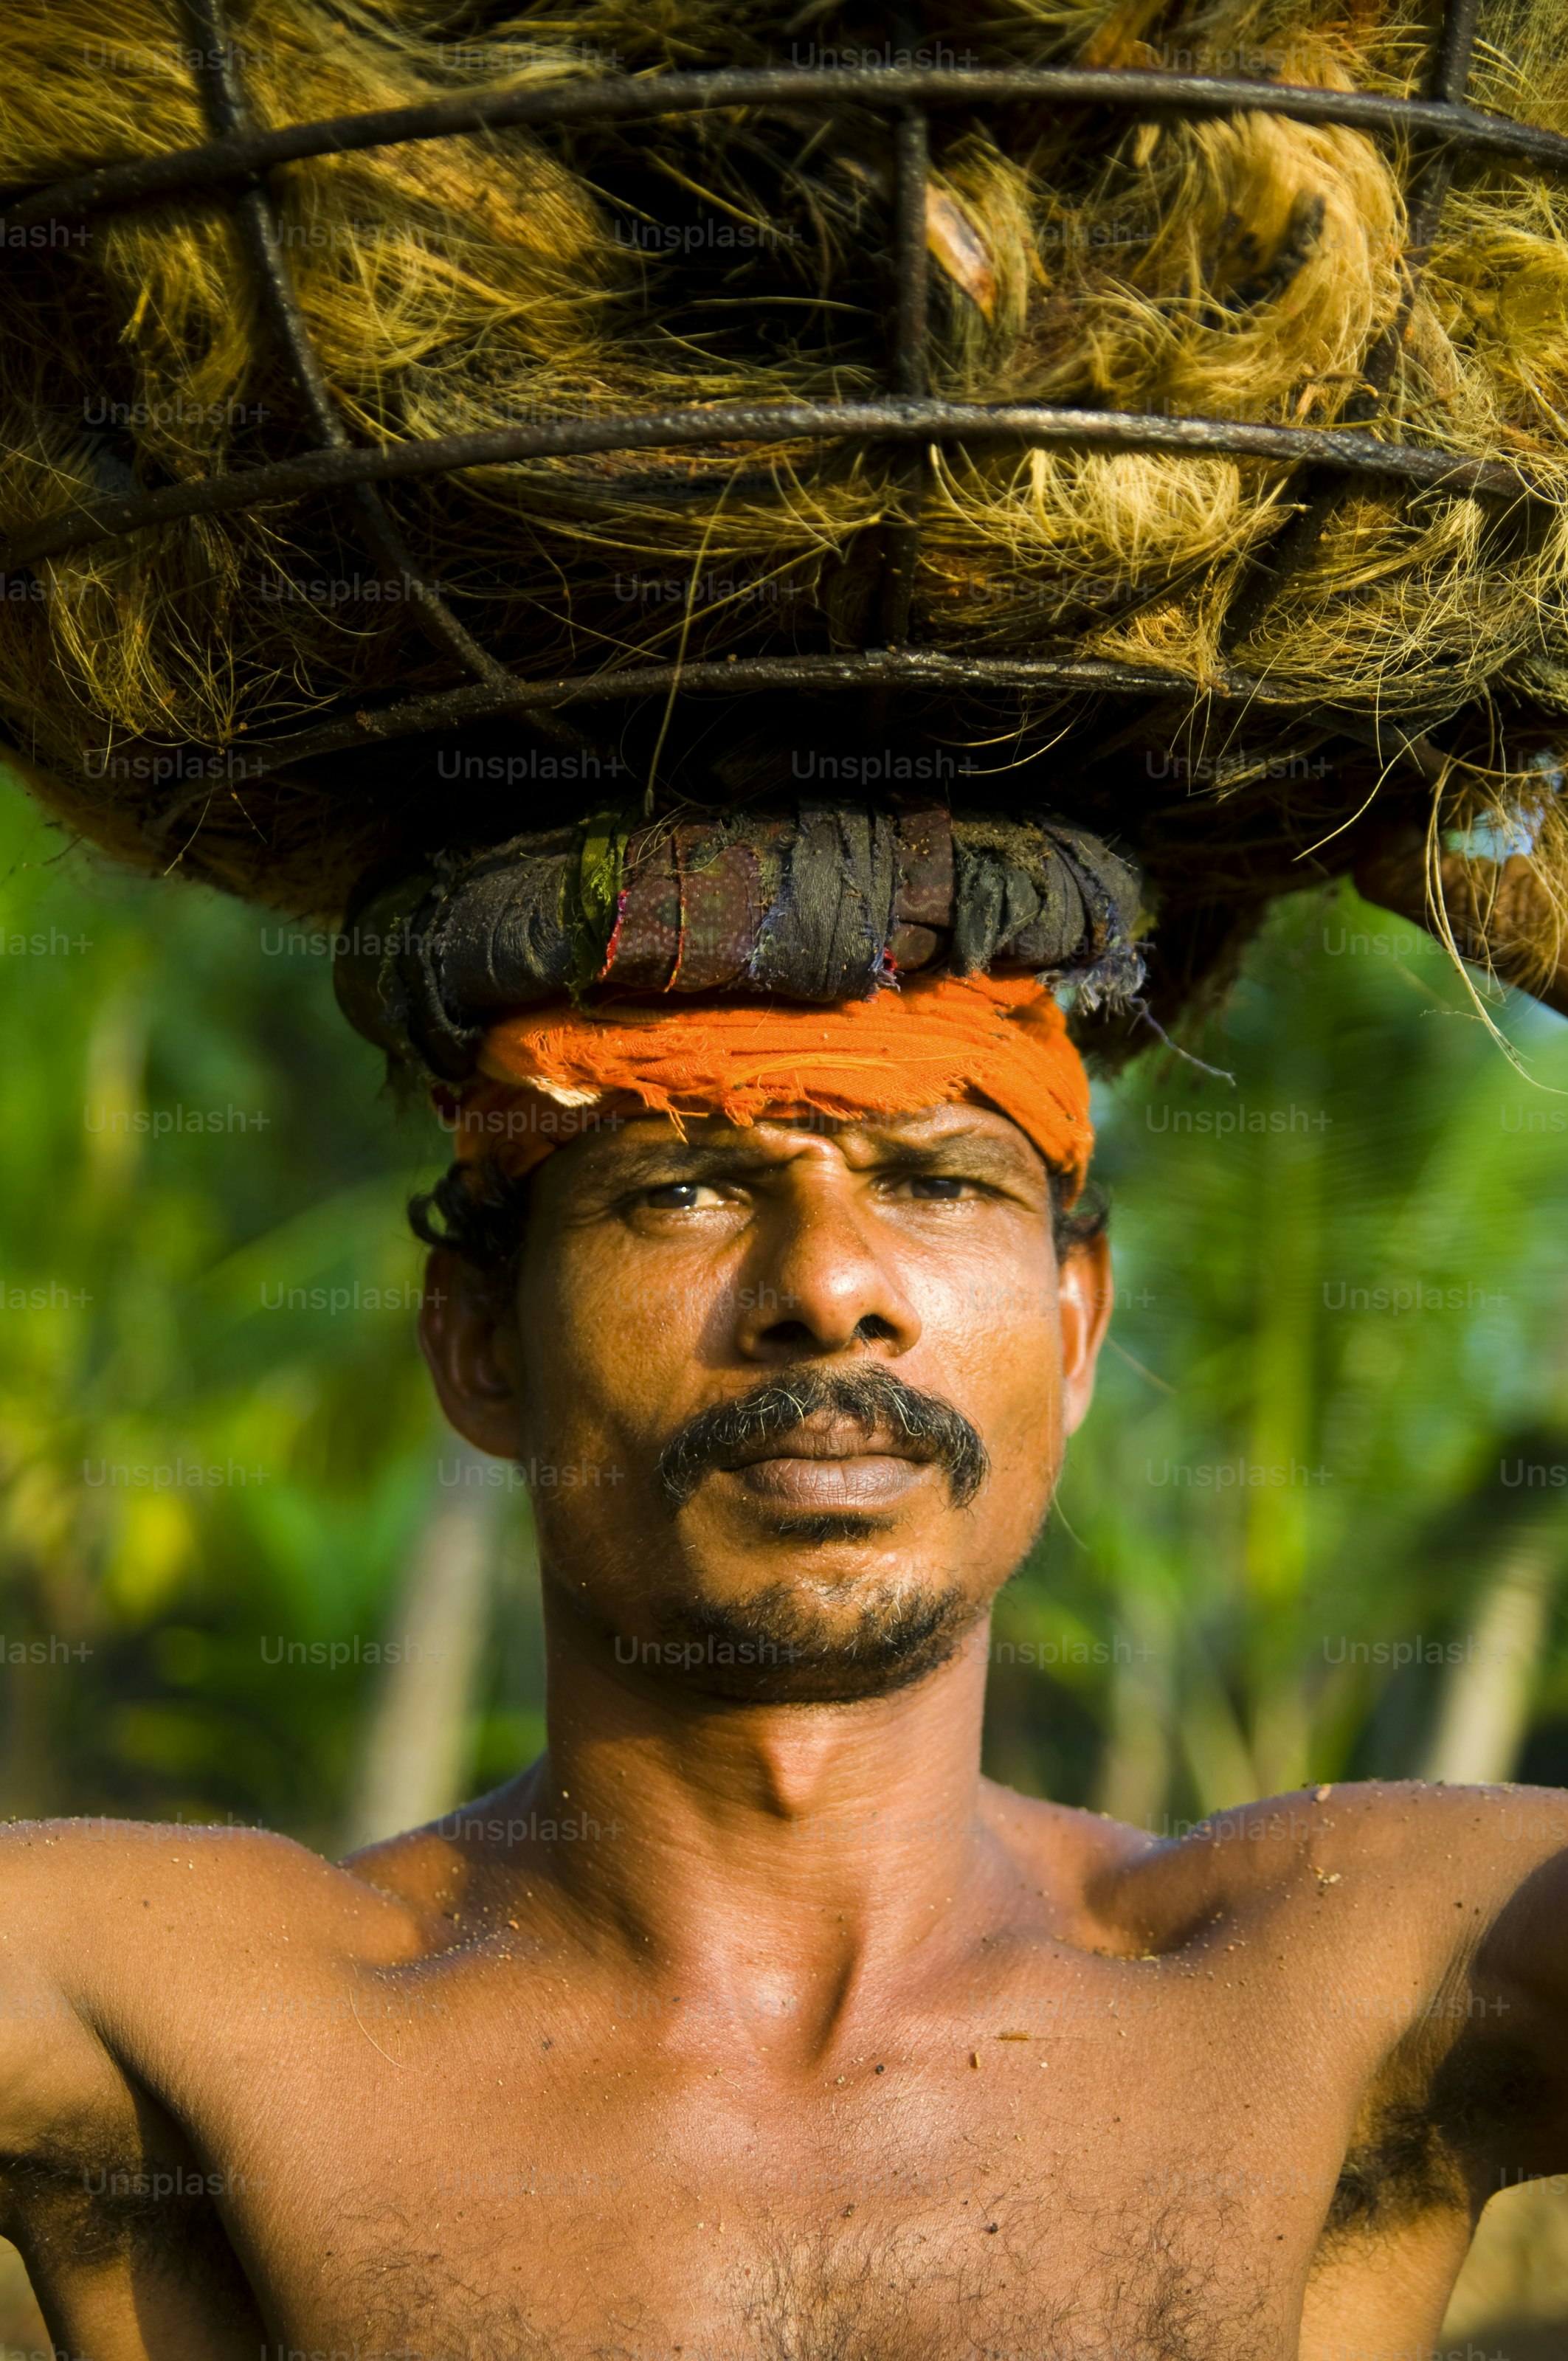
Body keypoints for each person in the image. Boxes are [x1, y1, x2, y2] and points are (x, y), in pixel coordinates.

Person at [1, 924, 1564, 2361]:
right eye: (680, 1185)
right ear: (480, 1342)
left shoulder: (1339, 1977)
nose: (827, 1287)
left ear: (1077, 1329)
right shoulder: (186, 2015)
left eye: (937, 1181)